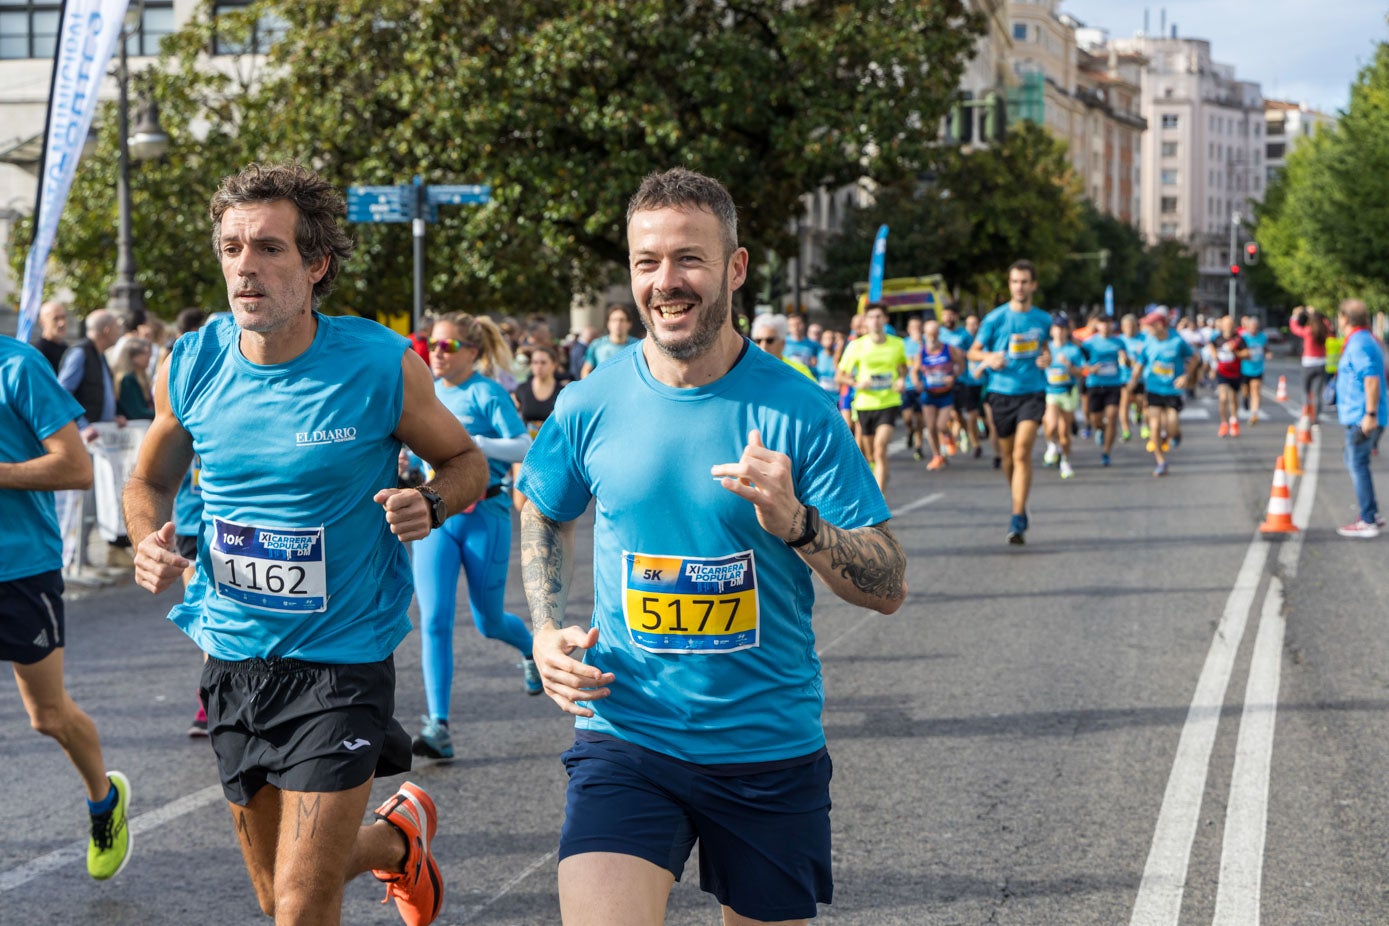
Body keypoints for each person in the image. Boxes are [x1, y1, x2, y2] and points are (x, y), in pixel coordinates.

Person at [516, 165, 907, 926]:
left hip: (765, 747)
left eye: (689, 259)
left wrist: (799, 524)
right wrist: (542, 626)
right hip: (626, 735)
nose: (667, 282)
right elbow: (539, 504)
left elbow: (886, 585)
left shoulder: (798, 410)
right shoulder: (590, 401)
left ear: (734, 268)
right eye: (647, 262)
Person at [123, 162, 489, 926]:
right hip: (231, 658)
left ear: (315, 264)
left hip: (340, 663)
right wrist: (144, 539)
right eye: (231, 249)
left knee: (300, 902)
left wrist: (428, 500)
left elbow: (466, 464)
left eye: (268, 248)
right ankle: (394, 841)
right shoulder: (190, 364)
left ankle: (384, 842)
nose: (245, 267)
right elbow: (148, 480)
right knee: (275, 894)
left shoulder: (378, 364)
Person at [0, 335, 132, 882]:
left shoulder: (18, 366)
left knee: (46, 716)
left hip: (21, 569)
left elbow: (75, 467)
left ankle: (104, 802)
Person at [410, 311, 539, 761]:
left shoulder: (487, 393)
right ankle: (437, 726)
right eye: (433, 345)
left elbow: (524, 446)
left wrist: (475, 446)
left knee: (488, 620)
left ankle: (530, 648)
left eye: (448, 346)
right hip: (437, 516)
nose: (438, 354)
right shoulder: (424, 393)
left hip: (486, 512)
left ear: (473, 352)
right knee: (434, 620)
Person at [968, 260, 1052, 544]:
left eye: (1025, 281)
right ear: (1010, 284)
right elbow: (973, 353)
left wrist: (1046, 358)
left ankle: (1017, 515)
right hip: (1001, 393)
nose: (1019, 286)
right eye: (1015, 281)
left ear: (1033, 285)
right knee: (1007, 457)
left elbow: (1046, 349)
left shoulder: (1043, 319)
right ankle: (1019, 497)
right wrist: (988, 358)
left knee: (1021, 452)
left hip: (1032, 392)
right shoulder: (995, 319)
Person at [836, 303, 908, 494]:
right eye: (871, 317)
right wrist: (856, 383)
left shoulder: (897, 344)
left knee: (880, 447)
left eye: (879, 317)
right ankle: (879, 471)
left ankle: (880, 500)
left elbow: (902, 367)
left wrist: (901, 380)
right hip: (864, 404)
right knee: (869, 455)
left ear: (885, 319)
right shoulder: (856, 346)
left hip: (888, 402)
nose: (875, 321)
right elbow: (840, 375)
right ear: (865, 321)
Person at [1332, 299, 1386, 538]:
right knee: (1356, 462)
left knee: (1357, 465)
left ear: (1344, 317)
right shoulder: (1363, 340)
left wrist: (1370, 414)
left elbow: (1371, 379)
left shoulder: (1359, 344)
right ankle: (1371, 514)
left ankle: (1367, 520)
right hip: (1358, 414)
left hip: (1360, 417)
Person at [1131, 310, 1197, 477]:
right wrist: (1131, 383)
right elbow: (1140, 364)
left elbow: (1195, 357)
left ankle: (1175, 434)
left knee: (1172, 424)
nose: (1146, 328)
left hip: (1173, 389)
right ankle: (1160, 461)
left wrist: (1186, 376)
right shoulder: (1148, 342)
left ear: (1159, 325)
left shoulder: (1176, 341)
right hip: (1153, 389)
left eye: (1149, 325)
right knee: (1154, 424)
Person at [57, 309, 127, 442]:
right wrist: (83, 426)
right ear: (107, 331)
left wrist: (113, 417)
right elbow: (62, 393)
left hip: (98, 437)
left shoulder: (99, 355)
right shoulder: (80, 353)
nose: (120, 332)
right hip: (83, 439)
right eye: (117, 327)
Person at [912, 318, 963, 471]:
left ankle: (948, 437)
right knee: (931, 427)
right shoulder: (922, 352)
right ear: (925, 334)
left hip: (945, 393)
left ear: (939, 334)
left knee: (941, 425)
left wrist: (953, 377)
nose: (932, 337)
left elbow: (960, 364)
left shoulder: (948, 349)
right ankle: (937, 456)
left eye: (934, 334)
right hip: (929, 393)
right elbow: (914, 370)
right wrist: (917, 383)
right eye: (929, 334)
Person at [1080, 314, 1128, 467]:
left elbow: (1127, 362)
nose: (1106, 326)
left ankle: (1106, 452)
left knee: (1113, 416)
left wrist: (1125, 358)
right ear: (1097, 325)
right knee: (1095, 419)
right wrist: (1089, 369)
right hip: (1095, 384)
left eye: (1109, 323)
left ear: (1113, 325)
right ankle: (1100, 429)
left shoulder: (1119, 342)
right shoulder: (1089, 343)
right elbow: (1081, 363)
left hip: (1113, 384)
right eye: (1102, 323)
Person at [1042, 314, 1084, 479]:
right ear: (1051, 331)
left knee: (1064, 432)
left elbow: (1080, 372)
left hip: (1067, 392)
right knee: (1050, 425)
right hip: (1050, 391)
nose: (1058, 332)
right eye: (1055, 328)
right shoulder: (1046, 348)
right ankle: (1052, 445)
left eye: (1062, 329)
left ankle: (1065, 460)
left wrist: (1068, 365)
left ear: (1067, 331)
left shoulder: (1073, 350)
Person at [1211, 314, 1249, 438]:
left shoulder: (1239, 339)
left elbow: (1247, 354)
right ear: (1222, 325)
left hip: (1235, 373)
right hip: (1222, 373)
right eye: (1226, 324)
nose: (1228, 327)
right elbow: (1211, 345)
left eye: (1231, 324)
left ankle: (1234, 421)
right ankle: (1223, 423)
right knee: (1223, 398)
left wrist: (1235, 352)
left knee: (1233, 399)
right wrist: (1214, 355)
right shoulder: (1217, 338)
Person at [1289, 306, 1330, 420]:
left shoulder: (1308, 331)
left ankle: (1306, 413)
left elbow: (1295, 328)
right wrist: (1315, 313)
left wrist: (1295, 315)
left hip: (1308, 363)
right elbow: (1327, 323)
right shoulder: (1323, 330)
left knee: (1305, 391)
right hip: (1321, 363)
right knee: (1317, 392)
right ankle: (1315, 416)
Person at [751, 313, 815, 379]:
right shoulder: (749, 369)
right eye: (758, 340)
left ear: (782, 343)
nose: (763, 346)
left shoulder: (799, 371)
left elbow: (815, 389)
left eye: (769, 340)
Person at [580, 303, 635, 377]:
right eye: (614, 320)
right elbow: (586, 370)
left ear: (629, 324)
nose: (618, 324)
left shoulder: (637, 346)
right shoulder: (597, 345)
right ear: (608, 324)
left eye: (621, 320)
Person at [112, 336, 155, 420]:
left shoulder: (142, 377)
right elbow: (137, 412)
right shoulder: (127, 379)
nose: (149, 357)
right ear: (133, 356)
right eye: (145, 353)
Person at [1239, 315, 1268, 425]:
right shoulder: (1243, 337)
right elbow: (1237, 353)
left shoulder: (1263, 337)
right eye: (1251, 327)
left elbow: (1265, 348)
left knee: (1255, 391)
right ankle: (1245, 398)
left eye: (1256, 327)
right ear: (1247, 327)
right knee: (1246, 390)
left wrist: (1268, 353)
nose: (1253, 329)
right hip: (1245, 369)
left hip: (1258, 368)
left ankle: (1254, 414)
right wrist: (1244, 354)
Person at [32, 300, 70, 372]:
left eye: (63, 317)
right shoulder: (39, 353)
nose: (61, 323)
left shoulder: (65, 348)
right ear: (43, 322)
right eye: (55, 319)